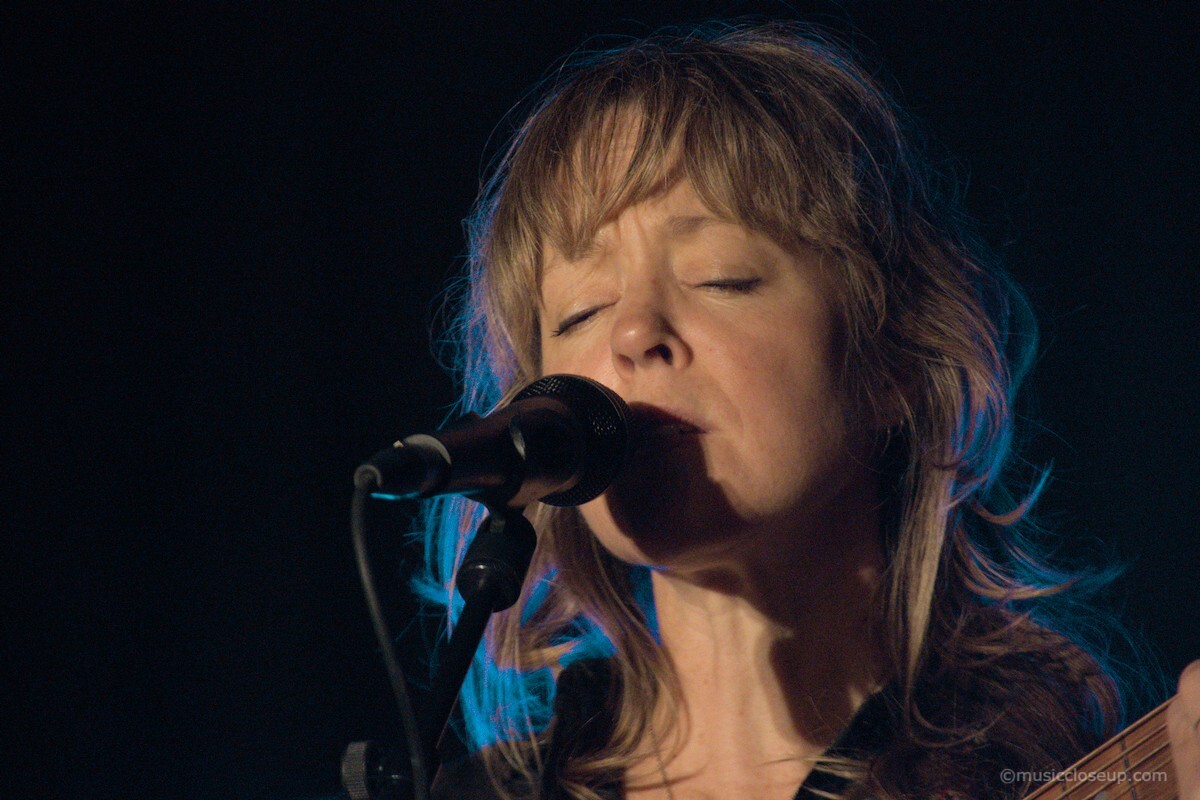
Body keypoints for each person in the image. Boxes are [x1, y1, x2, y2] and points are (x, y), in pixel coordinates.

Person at [412, 22, 1200, 800]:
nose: (631, 333)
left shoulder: (1037, 769)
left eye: (719, 277)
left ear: (893, 356)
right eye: (581, 310)